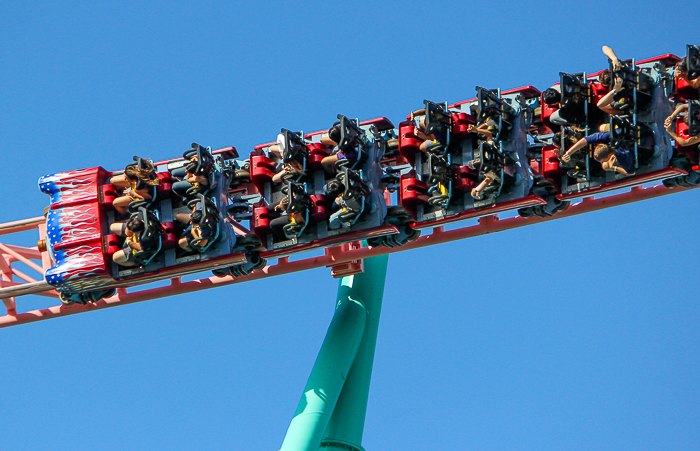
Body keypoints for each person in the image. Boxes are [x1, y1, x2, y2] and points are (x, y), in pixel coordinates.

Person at [560, 131, 635, 175]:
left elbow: (631, 172)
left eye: (603, 159)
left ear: (609, 155)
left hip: (634, 150)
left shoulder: (622, 159)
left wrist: (614, 168)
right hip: (631, 134)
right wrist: (568, 152)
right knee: (601, 128)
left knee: (605, 166)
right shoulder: (609, 137)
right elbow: (586, 140)